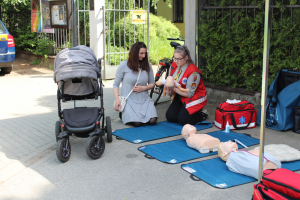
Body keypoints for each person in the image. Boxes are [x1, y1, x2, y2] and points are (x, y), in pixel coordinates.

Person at [113, 42, 158, 127]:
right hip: (129, 100)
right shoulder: (124, 65)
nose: (144, 56)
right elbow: (115, 85)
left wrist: (143, 88)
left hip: (144, 99)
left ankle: (128, 115)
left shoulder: (147, 65)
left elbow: (152, 84)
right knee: (137, 123)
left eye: (145, 53)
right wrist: (117, 100)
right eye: (141, 53)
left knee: (152, 121)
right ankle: (124, 114)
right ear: (134, 53)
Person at [165, 45, 208, 125]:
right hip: (180, 95)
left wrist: (174, 89)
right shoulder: (174, 66)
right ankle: (183, 110)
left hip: (195, 97)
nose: (176, 61)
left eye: (179, 59)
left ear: (186, 57)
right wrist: (168, 91)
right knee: (170, 117)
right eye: (175, 58)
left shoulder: (193, 72)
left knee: (183, 121)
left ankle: (202, 114)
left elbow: (189, 94)